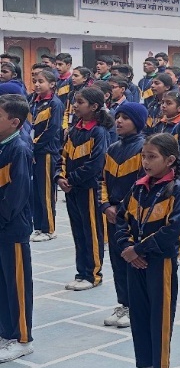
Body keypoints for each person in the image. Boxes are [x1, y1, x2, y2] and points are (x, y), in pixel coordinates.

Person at [115, 133, 180, 368]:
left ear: (170, 160)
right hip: (135, 262)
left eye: (152, 157)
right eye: (144, 156)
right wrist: (128, 249)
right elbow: (122, 220)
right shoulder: (138, 187)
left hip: (160, 263)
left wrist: (139, 249)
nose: (145, 161)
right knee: (140, 315)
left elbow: (173, 229)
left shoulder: (177, 190)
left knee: (160, 316)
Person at [59, 86, 111, 290]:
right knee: (78, 231)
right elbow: (63, 155)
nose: (75, 106)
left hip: (88, 189)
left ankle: (93, 274)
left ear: (94, 106)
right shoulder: (75, 129)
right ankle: (81, 272)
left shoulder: (99, 132)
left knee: (91, 232)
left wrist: (71, 179)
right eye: (74, 102)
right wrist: (60, 177)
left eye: (80, 102)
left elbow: (96, 163)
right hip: (73, 189)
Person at [100, 102, 147, 329]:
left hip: (131, 214)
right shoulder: (112, 148)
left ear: (137, 123)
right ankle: (124, 303)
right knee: (117, 260)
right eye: (117, 117)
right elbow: (103, 180)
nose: (118, 121)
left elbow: (141, 184)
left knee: (133, 259)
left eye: (125, 118)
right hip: (112, 213)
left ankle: (136, 305)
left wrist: (122, 209)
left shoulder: (143, 149)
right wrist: (106, 205)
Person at [0, 94, 34, 362]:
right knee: (3, 283)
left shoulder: (19, 149)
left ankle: (22, 338)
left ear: (14, 122)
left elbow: (17, 193)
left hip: (11, 228)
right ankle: (6, 332)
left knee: (17, 284)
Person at [29, 66, 64, 242]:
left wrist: (35, 146)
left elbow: (53, 129)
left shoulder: (55, 104)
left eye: (41, 81)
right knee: (35, 191)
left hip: (47, 151)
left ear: (52, 84)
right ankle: (39, 226)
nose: (36, 84)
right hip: (33, 150)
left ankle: (49, 228)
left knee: (46, 191)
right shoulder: (32, 101)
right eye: (35, 81)